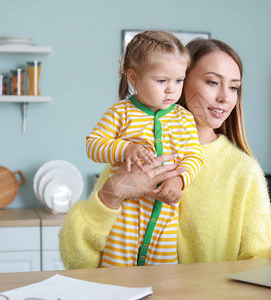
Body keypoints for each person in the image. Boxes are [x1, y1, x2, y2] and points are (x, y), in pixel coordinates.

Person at [59, 38, 271, 270]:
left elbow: (251, 262)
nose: (224, 98)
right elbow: (77, 262)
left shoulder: (244, 171)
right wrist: (110, 194)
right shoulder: (136, 151)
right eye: (212, 82)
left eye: (234, 87)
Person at [85, 31, 203, 267]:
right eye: (162, 81)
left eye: (178, 81)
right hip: (125, 215)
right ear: (133, 77)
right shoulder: (121, 113)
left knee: (164, 281)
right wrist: (125, 148)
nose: (172, 89)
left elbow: (194, 156)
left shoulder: (184, 119)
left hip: (165, 217)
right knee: (117, 278)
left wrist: (180, 180)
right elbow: (93, 144)